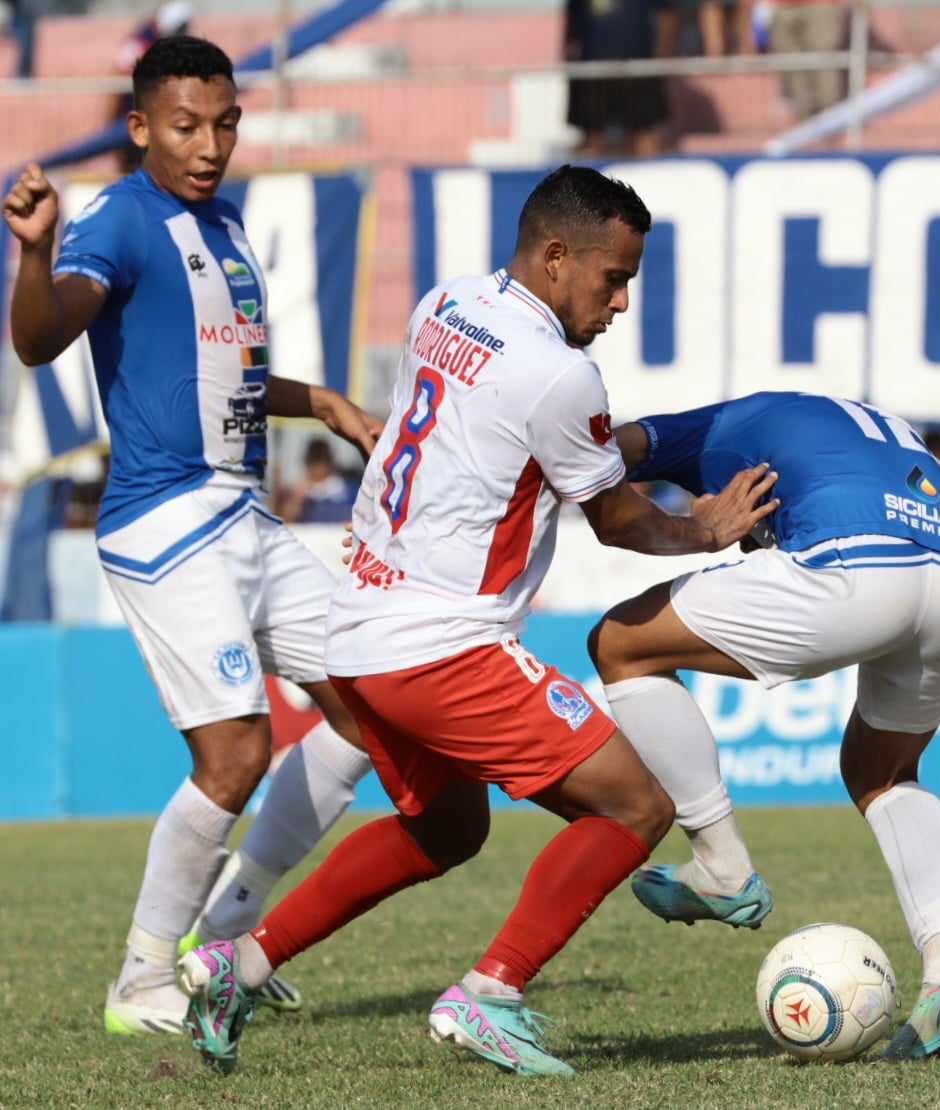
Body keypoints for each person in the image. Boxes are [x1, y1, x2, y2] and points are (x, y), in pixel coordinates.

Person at [177, 164, 778, 1077]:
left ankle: (239, 963)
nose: (619, 302)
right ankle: (489, 994)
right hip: (440, 646)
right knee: (636, 803)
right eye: (612, 278)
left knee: (447, 831)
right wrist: (705, 528)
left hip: (356, 628)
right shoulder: (559, 373)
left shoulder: (446, 302)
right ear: (553, 255)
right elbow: (617, 523)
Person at [3, 35, 383, 1037]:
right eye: (184, 126)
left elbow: (231, 377)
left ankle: (221, 938)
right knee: (235, 753)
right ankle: (140, 980)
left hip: (244, 515)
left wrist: (324, 401)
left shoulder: (223, 224)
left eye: (224, 123)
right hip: (167, 520)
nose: (209, 144)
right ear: (138, 129)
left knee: (374, 703)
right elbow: (42, 337)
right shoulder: (117, 221)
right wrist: (36, 254)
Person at [586, 391, 940, 1059]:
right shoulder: (861, 440)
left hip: (849, 567)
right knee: (880, 774)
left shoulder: (710, 429)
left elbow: (591, 454)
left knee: (620, 645)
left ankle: (721, 868)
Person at [565, 0, 674, 157]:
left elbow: (666, 15)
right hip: (592, 69)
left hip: (639, 68)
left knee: (645, 138)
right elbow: (572, 20)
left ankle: (643, 180)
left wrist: (661, 62)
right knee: (592, 140)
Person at [110, 3, 194, 174]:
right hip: (135, 124)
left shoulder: (173, 46)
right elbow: (116, 80)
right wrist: (110, 129)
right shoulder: (141, 42)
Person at [274, 437, 359, 524]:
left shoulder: (348, 490)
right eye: (314, 462)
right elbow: (285, 522)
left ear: (330, 463)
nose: (318, 468)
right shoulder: (298, 491)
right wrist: (296, 500)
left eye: (322, 462)